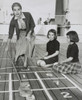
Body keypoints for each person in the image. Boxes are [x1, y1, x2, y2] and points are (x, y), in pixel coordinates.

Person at [6, 2, 35, 68]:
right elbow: (10, 34)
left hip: (30, 32)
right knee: (18, 47)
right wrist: (7, 46)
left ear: (21, 9)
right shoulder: (13, 21)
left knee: (27, 45)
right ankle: (17, 57)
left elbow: (32, 25)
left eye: (18, 9)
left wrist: (28, 34)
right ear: (13, 11)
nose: (17, 12)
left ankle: (25, 61)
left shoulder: (28, 15)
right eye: (14, 10)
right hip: (21, 34)